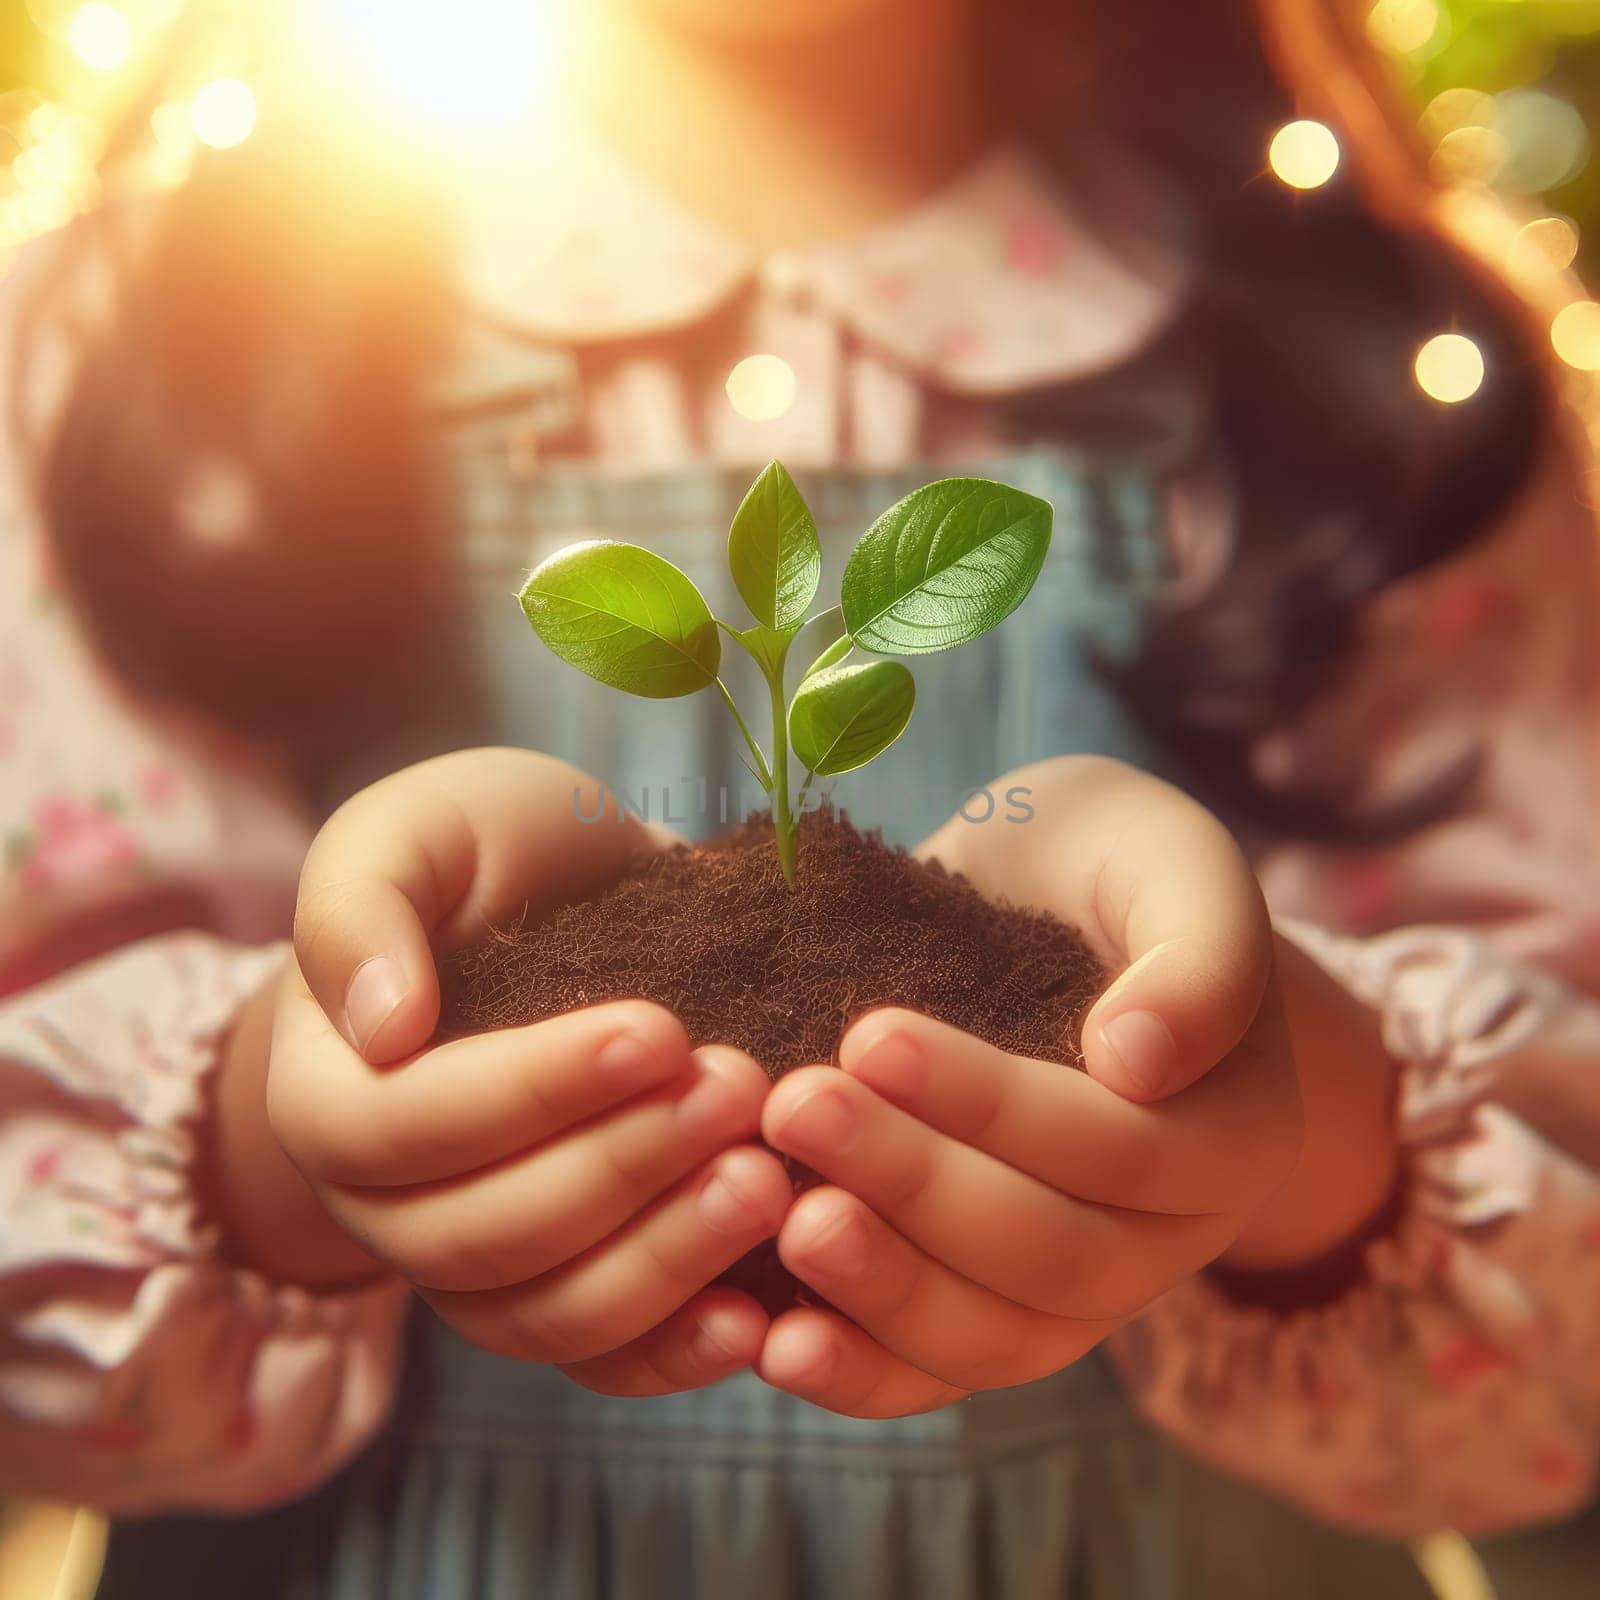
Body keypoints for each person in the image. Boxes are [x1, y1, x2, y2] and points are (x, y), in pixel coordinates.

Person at [2, 0, 1598, 1594]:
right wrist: (296, 1114)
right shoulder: (147, 351)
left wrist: (1295, 1097)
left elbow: (1560, 1375)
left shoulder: (1366, 366)